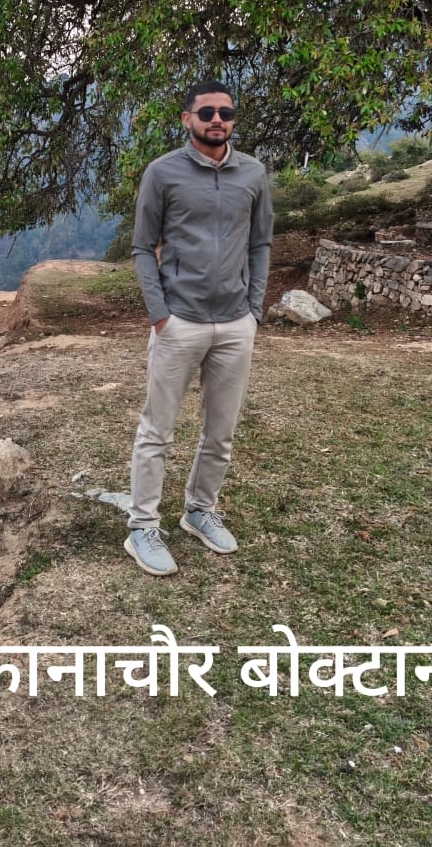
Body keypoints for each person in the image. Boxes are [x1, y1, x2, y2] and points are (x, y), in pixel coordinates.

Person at [124, 79, 273, 576]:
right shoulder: (162, 172)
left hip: (235, 324)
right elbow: (142, 247)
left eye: (225, 113)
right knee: (157, 432)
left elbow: (260, 244)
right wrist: (159, 314)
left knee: (221, 434)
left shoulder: (253, 173)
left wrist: (253, 310)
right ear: (186, 118)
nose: (217, 120)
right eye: (206, 112)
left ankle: (199, 511)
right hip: (179, 322)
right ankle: (142, 526)